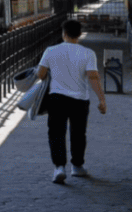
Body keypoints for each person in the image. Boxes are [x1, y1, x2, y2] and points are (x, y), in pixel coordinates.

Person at [36, 19, 106, 183]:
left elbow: (40, 74)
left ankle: (59, 167)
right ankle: (77, 166)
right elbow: (93, 77)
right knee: (78, 134)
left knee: (56, 133)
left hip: (57, 98)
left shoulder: (51, 51)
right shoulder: (88, 53)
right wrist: (102, 99)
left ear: (64, 33)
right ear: (79, 34)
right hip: (80, 100)